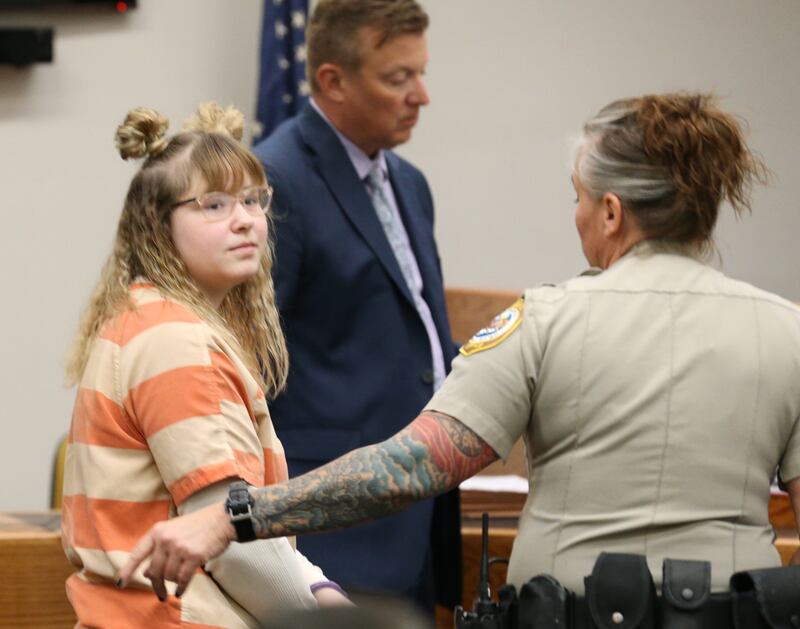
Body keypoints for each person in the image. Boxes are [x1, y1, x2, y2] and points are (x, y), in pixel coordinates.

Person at [118, 93, 800, 609]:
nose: (578, 214)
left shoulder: (546, 322)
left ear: (612, 212)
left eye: (579, 198)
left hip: (578, 610)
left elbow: (409, 468)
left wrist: (239, 516)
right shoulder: (786, 330)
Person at [62, 103, 349, 629]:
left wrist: (321, 589)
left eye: (252, 199)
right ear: (158, 225)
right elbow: (231, 539)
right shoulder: (174, 339)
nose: (245, 220)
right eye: (213, 205)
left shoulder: (148, 320)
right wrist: (324, 617)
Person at [251, 0, 461, 611]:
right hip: (333, 525)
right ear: (333, 81)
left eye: (420, 73)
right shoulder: (275, 179)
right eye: (398, 78)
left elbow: (413, 336)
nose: (421, 96)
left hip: (416, 511)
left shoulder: (410, 183)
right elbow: (253, 359)